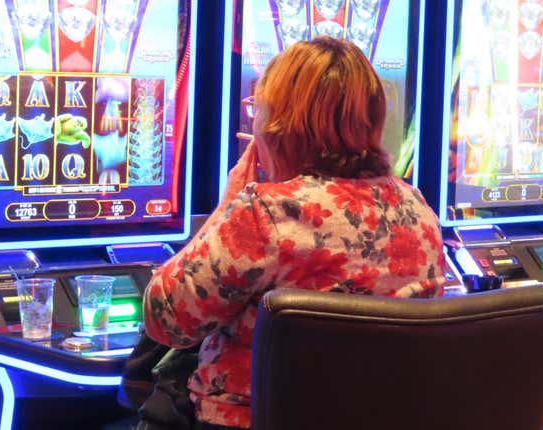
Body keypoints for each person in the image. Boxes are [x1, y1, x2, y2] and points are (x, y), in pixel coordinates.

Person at [143, 36, 447, 429]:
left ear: (281, 124)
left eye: (259, 108)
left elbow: (164, 319)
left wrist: (228, 204)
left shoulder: (266, 212)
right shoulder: (416, 208)